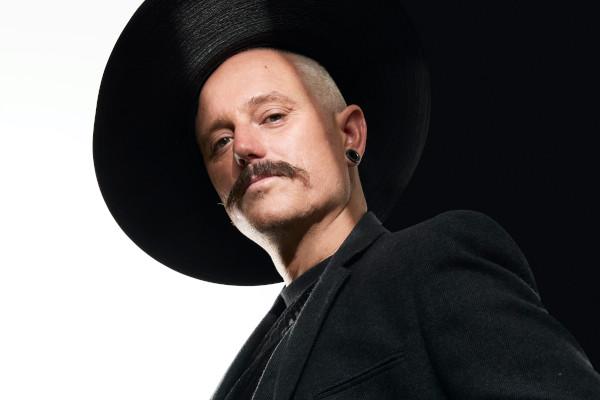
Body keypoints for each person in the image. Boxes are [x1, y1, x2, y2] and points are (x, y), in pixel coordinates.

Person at [93, 0, 600, 398]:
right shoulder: (243, 372)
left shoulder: (431, 262)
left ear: (349, 134)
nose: (244, 147)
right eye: (220, 142)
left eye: (272, 116)